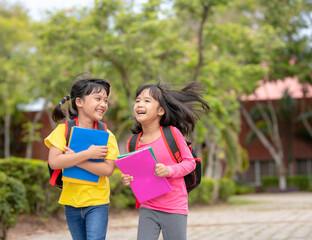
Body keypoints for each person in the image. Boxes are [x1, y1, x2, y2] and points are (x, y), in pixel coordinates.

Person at [121, 82, 210, 240]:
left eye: (147, 101)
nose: (140, 104)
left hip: (174, 206)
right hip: (148, 207)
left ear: (160, 110)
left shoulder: (172, 134)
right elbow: (139, 175)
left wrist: (169, 170)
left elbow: (190, 163)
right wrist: (129, 179)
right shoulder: (133, 142)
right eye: (137, 101)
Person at [44, 72, 119, 240]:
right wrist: (87, 154)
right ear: (79, 102)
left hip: (98, 201)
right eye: (98, 99)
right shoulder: (62, 131)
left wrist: (76, 158)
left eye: (105, 100)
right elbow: (55, 162)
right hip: (71, 202)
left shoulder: (108, 135)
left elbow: (107, 170)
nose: (103, 104)